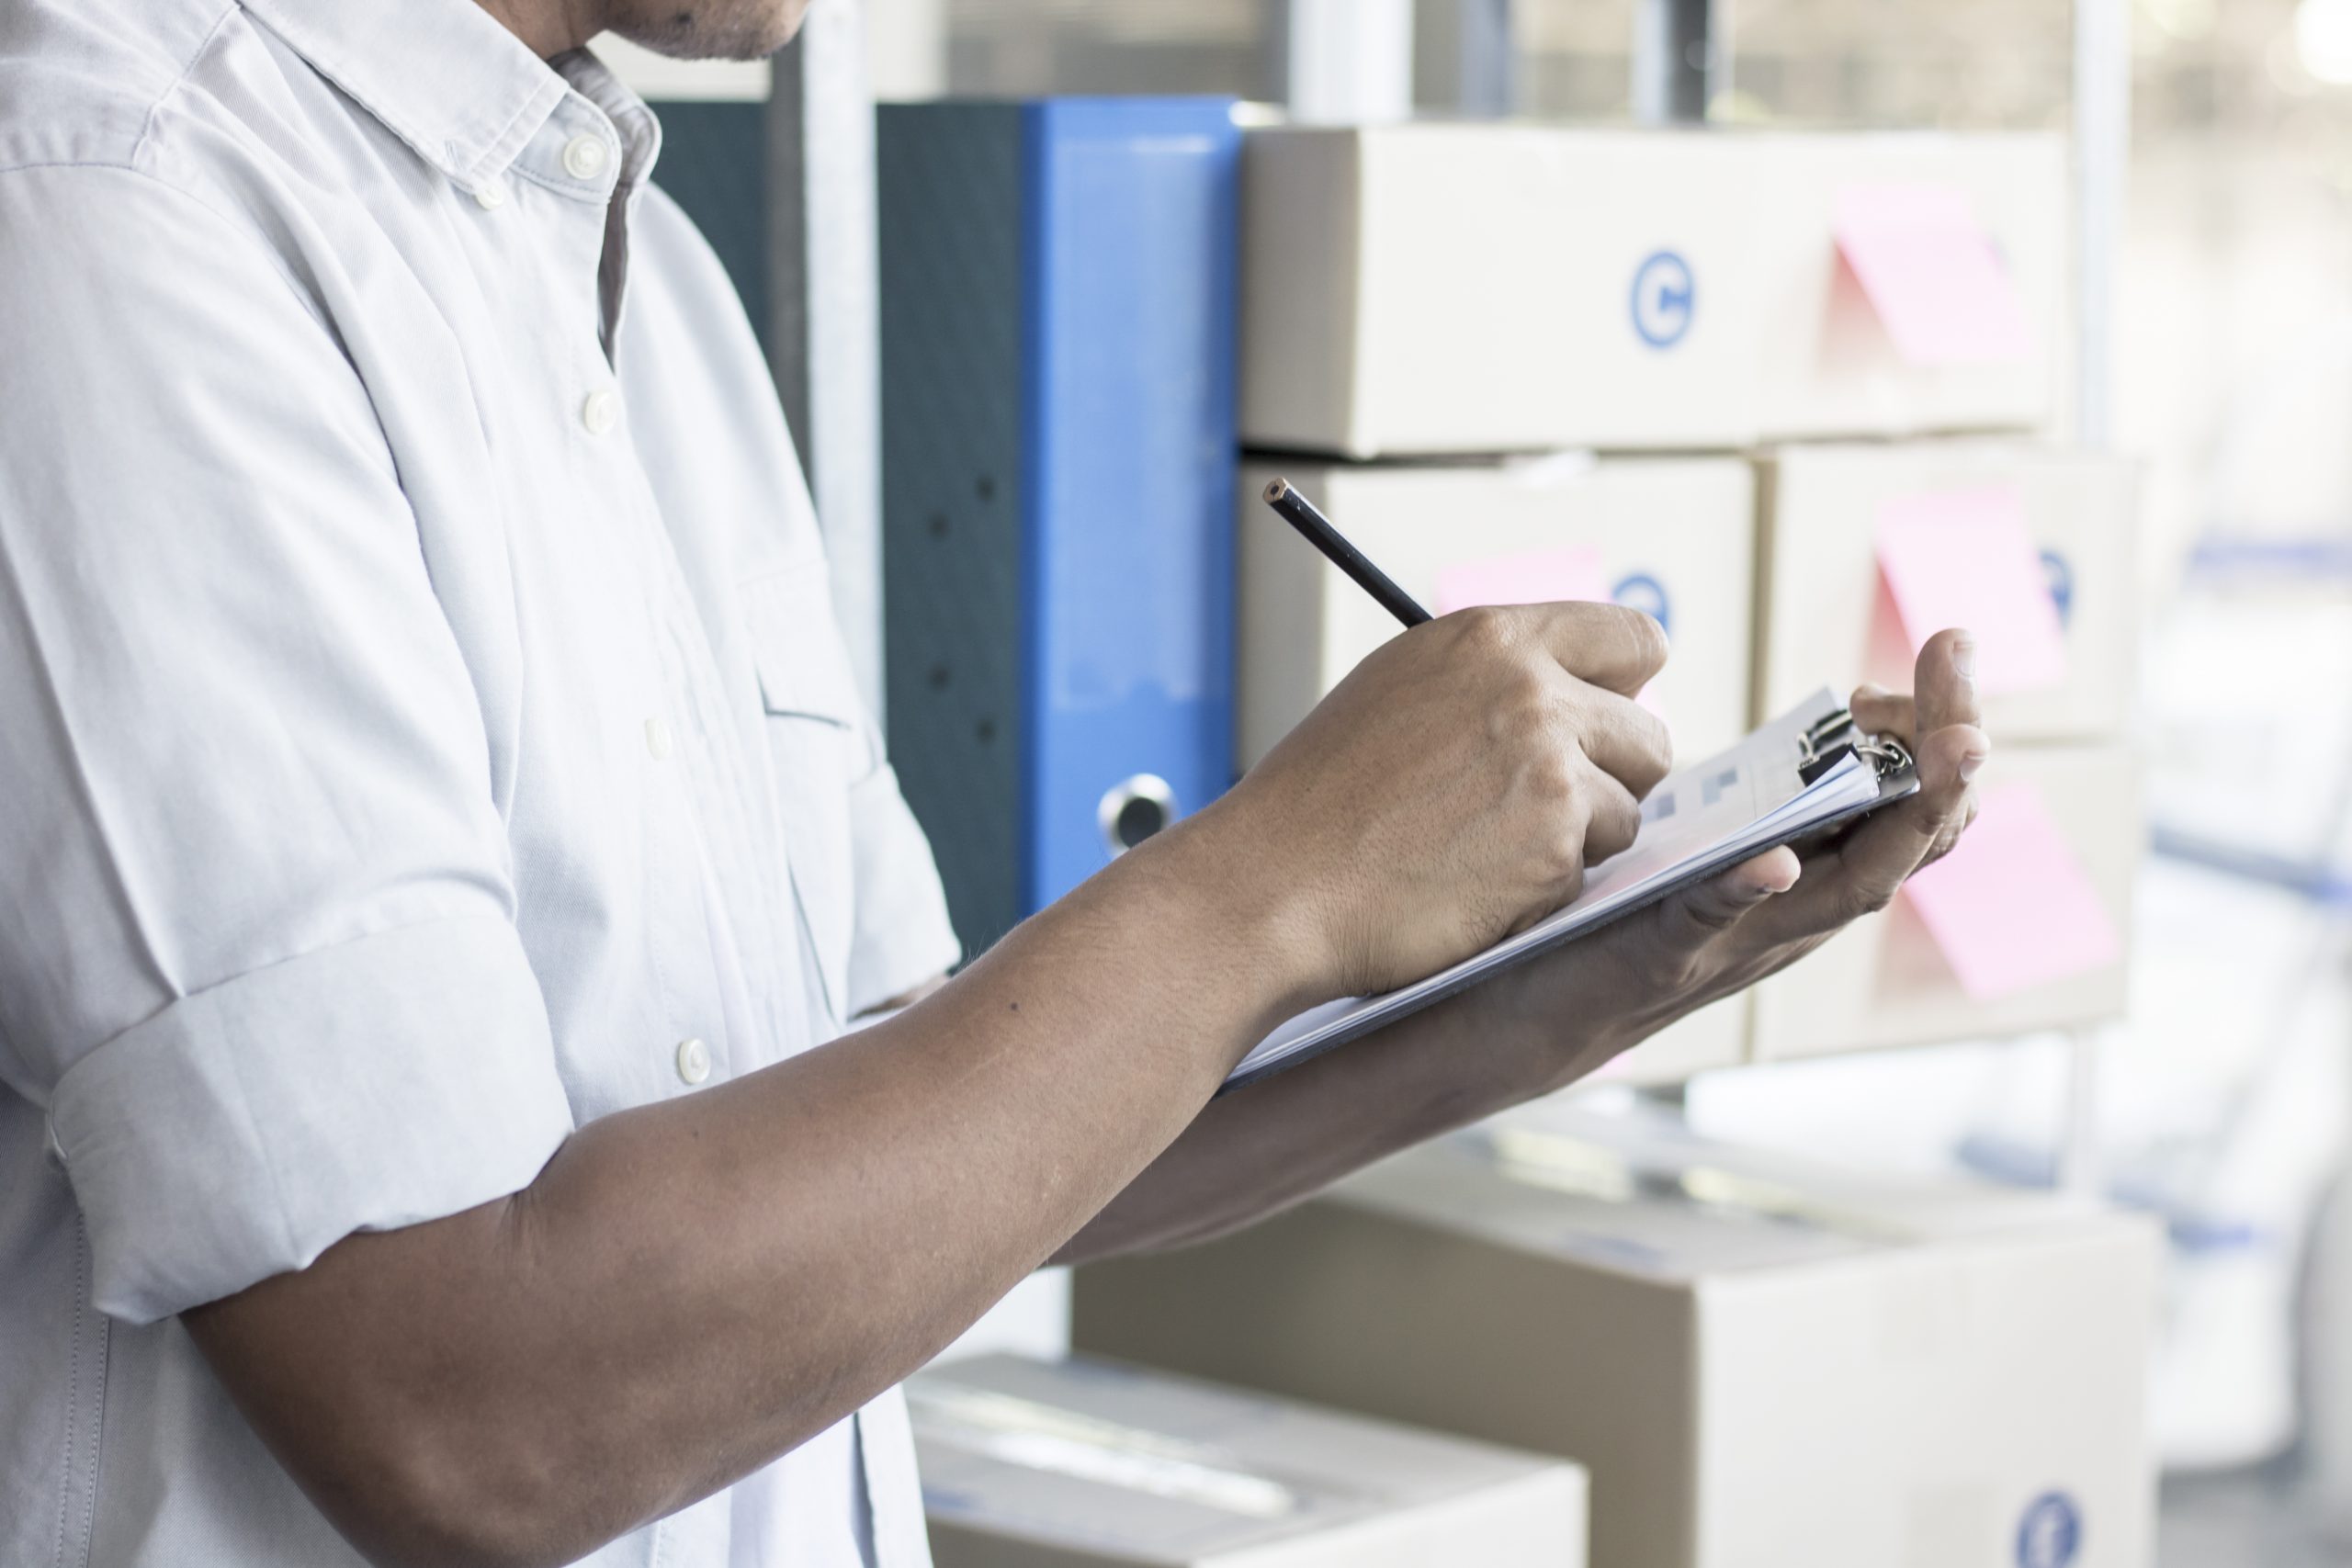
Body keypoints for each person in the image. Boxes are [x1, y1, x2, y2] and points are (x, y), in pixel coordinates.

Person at [0, 1, 1990, 1565]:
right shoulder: (108, 209)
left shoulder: (649, 289)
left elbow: (935, 1126)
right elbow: (459, 1406)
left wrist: (1578, 983)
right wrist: (1269, 876)